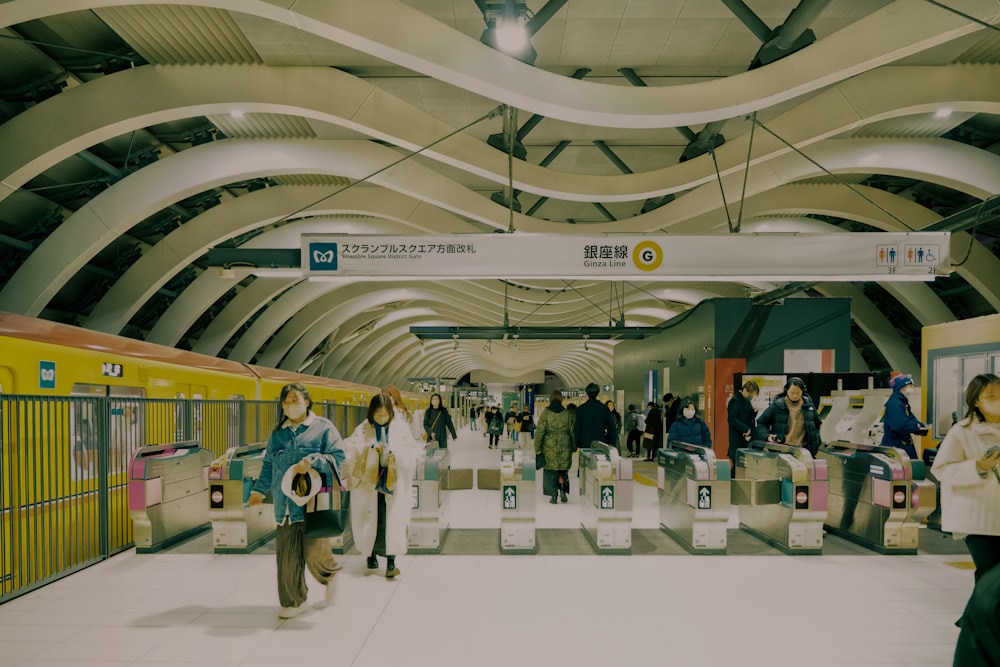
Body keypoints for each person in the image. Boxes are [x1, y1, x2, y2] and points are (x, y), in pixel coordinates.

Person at [248, 383, 346, 619]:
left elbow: (339, 457)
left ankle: (330, 574)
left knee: (314, 552)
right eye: (286, 402)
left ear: (307, 401)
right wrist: (259, 490)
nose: (290, 406)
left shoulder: (323, 429)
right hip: (285, 504)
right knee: (287, 555)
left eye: (295, 400)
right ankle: (294, 601)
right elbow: (269, 465)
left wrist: (313, 460)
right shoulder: (278, 434)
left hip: (313, 504)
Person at [930, 373, 1000, 583]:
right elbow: (941, 469)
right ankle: (980, 616)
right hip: (979, 518)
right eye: (991, 396)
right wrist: (978, 467)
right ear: (976, 401)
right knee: (989, 578)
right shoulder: (962, 431)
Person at [343, 393, 419, 580]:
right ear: (371, 412)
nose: (382, 417)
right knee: (370, 521)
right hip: (368, 486)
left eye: (385, 413)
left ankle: (392, 560)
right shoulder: (362, 429)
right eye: (378, 413)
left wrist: (394, 453)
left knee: (391, 521)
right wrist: (370, 449)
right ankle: (370, 555)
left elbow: (411, 452)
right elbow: (350, 450)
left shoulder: (400, 428)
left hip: (392, 484)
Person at [755, 377, 823, 456]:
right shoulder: (777, 406)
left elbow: (817, 424)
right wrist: (767, 436)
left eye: (798, 393)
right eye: (792, 392)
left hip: (804, 451)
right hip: (781, 450)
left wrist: (816, 441)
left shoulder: (808, 406)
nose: (794, 396)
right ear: (786, 391)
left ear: (803, 392)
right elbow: (761, 423)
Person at [535, 390, 576, 504]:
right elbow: (572, 431)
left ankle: (553, 495)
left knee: (551, 471)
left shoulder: (545, 413)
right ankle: (563, 490)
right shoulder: (567, 414)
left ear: (551, 399)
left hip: (549, 446)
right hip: (565, 445)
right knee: (562, 470)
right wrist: (573, 446)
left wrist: (537, 448)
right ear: (561, 399)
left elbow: (539, 432)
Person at [880, 374, 928, 459]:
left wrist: (920, 427)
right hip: (897, 445)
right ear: (901, 387)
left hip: (903, 444)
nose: (911, 388)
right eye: (909, 386)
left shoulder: (902, 402)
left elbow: (911, 419)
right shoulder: (895, 403)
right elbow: (899, 425)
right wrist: (916, 427)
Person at [574, 383, 618, 449]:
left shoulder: (581, 409)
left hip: (585, 444)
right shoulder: (604, 408)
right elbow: (612, 427)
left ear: (587, 393)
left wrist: (577, 442)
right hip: (601, 443)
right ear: (598, 393)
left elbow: (577, 428)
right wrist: (611, 442)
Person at [727, 380, 759, 466]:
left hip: (745, 438)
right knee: (737, 466)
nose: (751, 397)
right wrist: (745, 429)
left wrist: (754, 412)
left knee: (743, 466)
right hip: (737, 437)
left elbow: (748, 419)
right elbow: (732, 419)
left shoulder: (747, 402)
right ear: (744, 390)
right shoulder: (735, 400)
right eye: (750, 394)